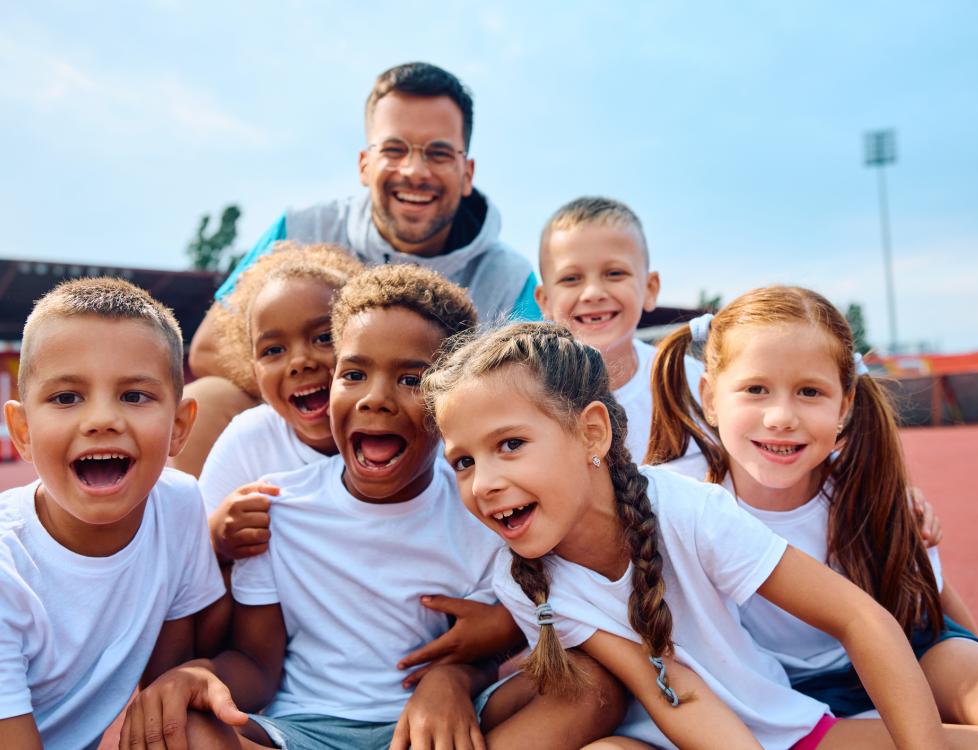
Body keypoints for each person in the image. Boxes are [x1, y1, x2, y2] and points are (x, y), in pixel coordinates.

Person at [423, 321, 978, 749]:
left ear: (592, 432)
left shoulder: (689, 510)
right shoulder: (522, 575)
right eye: (465, 462)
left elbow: (860, 619)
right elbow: (670, 689)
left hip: (781, 727)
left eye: (510, 445)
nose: (485, 483)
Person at [119, 267, 625, 750]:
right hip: (303, 729)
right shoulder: (276, 507)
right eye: (355, 374)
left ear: (450, 404)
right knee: (180, 725)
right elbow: (256, 664)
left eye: (411, 380)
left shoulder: (479, 509)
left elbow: (483, 647)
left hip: (439, 728)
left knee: (592, 686)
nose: (375, 399)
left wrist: (451, 680)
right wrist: (194, 678)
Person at [645, 285, 978, 724]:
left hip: (906, 654)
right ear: (711, 397)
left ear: (845, 405)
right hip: (769, 685)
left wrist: (973, 646)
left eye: (809, 392)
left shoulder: (869, 490)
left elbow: (935, 596)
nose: (781, 417)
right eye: (756, 388)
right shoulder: (683, 500)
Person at [174, 61, 541, 476]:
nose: (414, 171)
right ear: (365, 164)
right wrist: (329, 402)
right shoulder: (301, 229)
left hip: (430, 454)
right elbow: (207, 349)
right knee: (207, 399)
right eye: (394, 149)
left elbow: (531, 394)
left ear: (467, 171)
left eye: (438, 153)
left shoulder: (509, 278)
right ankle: (196, 534)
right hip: (299, 437)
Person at [0, 278, 225, 749]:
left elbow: (163, 698)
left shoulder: (179, 505)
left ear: (180, 426)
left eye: (134, 395)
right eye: (66, 397)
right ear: (21, 430)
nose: (102, 419)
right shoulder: (7, 567)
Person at [199, 242, 362, 563]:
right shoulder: (251, 437)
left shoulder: (397, 429)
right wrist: (217, 535)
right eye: (273, 350)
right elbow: (191, 550)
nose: (299, 362)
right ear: (253, 370)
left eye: (324, 337)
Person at [534, 197, 701, 462]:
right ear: (545, 301)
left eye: (614, 273)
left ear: (650, 288)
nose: (593, 293)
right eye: (571, 279)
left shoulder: (691, 383)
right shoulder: (528, 396)